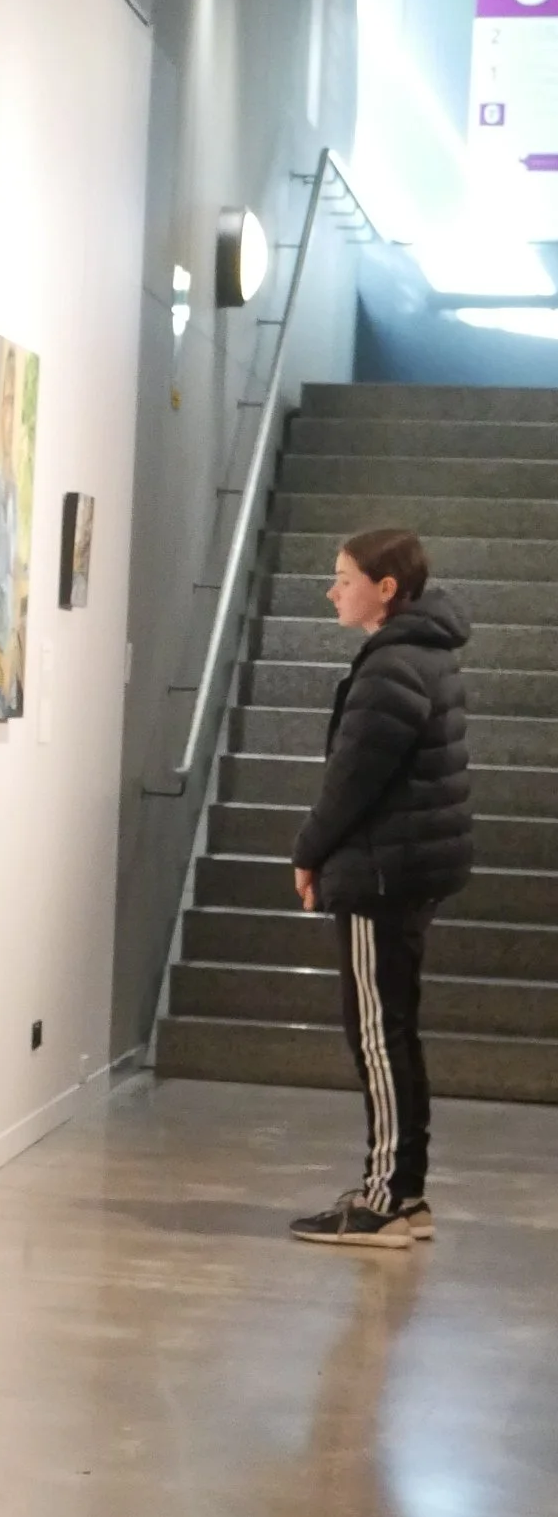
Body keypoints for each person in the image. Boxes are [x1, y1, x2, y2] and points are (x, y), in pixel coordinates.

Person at [288, 527, 472, 1249]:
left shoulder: (393, 665)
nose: (333, 591)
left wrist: (308, 852)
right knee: (391, 1029)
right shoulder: (426, 654)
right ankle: (402, 1192)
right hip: (406, 865)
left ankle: (387, 1199)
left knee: (378, 1034)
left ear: (385, 588)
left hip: (382, 872)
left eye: (343, 577)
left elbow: (351, 781)